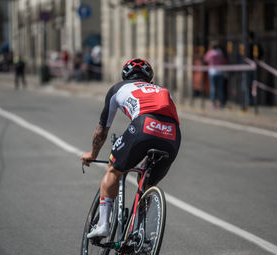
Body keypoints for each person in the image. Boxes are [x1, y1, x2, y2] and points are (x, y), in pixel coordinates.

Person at [81, 58, 181, 239]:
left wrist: (92, 154)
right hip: (173, 134)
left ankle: (103, 224)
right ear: (149, 78)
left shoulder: (118, 88)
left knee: (113, 170)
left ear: (125, 76)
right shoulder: (164, 91)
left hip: (144, 126)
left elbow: (101, 131)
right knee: (148, 183)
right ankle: (138, 231)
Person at [204, 43, 228, 108]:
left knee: (213, 88)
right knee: (220, 88)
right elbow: (224, 61)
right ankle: (221, 102)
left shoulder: (210, 53)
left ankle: (213, 103)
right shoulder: (220, 53)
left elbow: (205, 59)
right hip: (220, 72)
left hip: (212, 72)